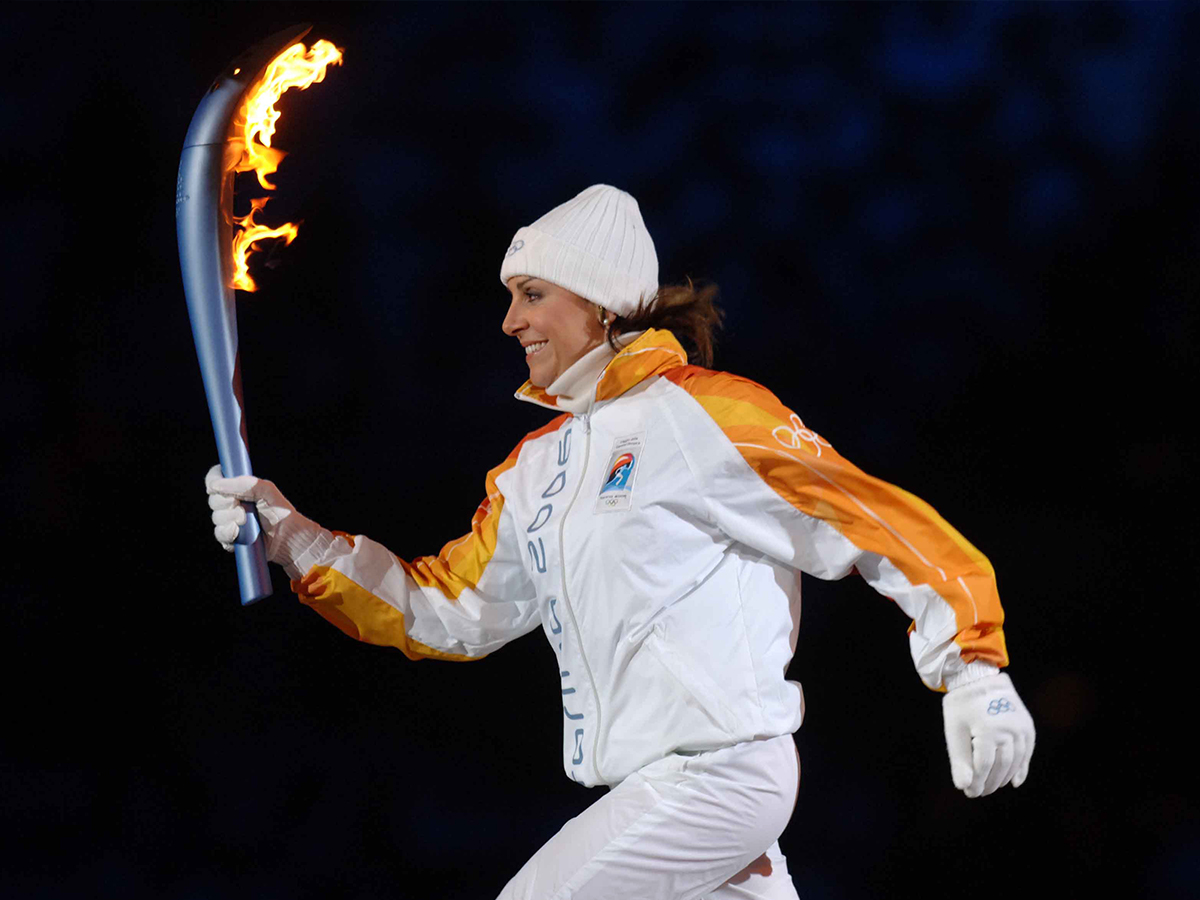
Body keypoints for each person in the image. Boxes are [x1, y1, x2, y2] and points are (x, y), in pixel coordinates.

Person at [206, 184, 1036, 900]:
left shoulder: (704, 412)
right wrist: (294, 539)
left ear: (599, 302)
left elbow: (872, 521)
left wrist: (974, 668)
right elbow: (447, 611)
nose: (510, 320)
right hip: (655, 792)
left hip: (719, 775)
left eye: (532, 293)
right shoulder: (535, 470)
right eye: (510, 296)